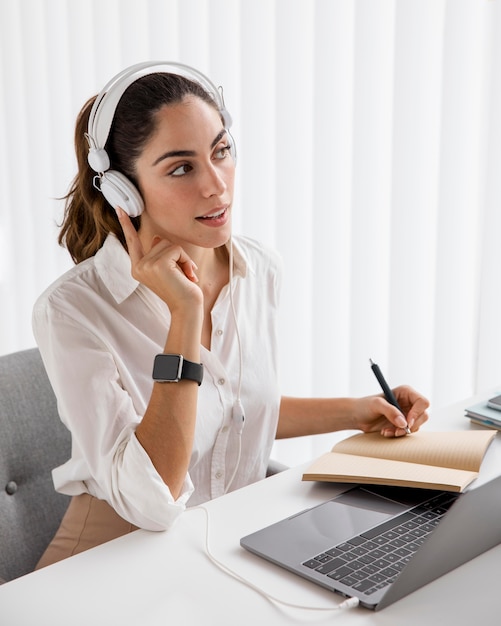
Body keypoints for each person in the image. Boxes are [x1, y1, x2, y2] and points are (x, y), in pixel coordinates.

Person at [32, 62, 429, 569]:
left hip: (218, 550)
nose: (216, 185)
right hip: (107, 559)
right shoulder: (72, 310)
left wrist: (356, 410)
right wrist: (183, 313)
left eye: (221, 151)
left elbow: (230, 409)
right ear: (122, 192)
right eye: (181, 168)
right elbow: (153, 499)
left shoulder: (258, 269)